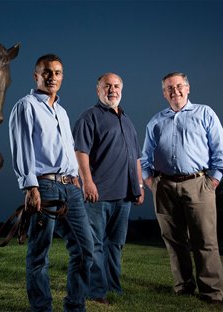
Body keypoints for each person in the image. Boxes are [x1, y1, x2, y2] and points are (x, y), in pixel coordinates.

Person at [8, 54, 94, 312]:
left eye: (57, 72)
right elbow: (22, 148)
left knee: (85, 249)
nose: (52, 77)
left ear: (62, 77)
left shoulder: (62, 111)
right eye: (46, 72)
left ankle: (75, 306)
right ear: (36, 76)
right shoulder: (26, 106)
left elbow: (68, 149)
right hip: (44, 187)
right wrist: (30, 187)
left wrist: (77, 178)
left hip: (71, 187)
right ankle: (42, 308)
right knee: (39, 253)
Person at [140, 72, 223, 304]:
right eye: (169, 88)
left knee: (205, 240)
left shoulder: (205, 113)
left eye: (179, 86)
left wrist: (212, 181)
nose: (175, 91)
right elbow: (145, 158)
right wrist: (152, 183)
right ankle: (183, 286)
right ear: (164, 93)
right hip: (165, 186)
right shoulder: (155, 121)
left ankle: (211, 292)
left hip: (198, 184)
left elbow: (221, 152)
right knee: (174, 240)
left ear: (188, 88)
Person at [72, 73, 144, 304]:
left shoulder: (127, 119)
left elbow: (136, 157)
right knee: (95, 245)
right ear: (98, 90)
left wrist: (140, 185)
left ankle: (114, 286)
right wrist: (87, 182)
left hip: (124, 195)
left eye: (116, 86)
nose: (112, 90)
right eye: (107, 86)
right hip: (99, 194)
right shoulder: (89, 117)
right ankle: (96, 291)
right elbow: (80, 152)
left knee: (116, 245)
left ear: (121, 89)